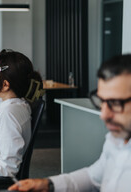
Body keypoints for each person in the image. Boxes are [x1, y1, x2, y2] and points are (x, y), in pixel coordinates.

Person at [8, 54, 131, 191]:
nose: (104, 115)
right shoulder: (116, 139)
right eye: (102, 102)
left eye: (115, 103)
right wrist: (48, 184)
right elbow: (93, 176)